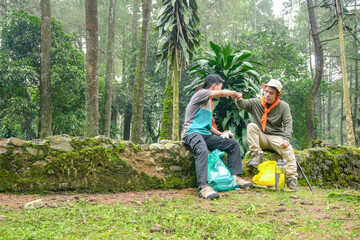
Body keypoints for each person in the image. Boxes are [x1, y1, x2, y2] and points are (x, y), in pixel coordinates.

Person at [182, 74, 253, 200]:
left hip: (205, 134)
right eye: (220, 87)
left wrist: (222, 134)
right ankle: (204, 187)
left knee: (232, 144)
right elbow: (221, 94)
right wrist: (233, 92)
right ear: (214, 86)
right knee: (202, 149)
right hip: (192, 133)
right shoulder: (201, 93)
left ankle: (234, 178)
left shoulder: (208, 104)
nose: (221, 90)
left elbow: (209, 126)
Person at [235, 79, 299, 190]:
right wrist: (238, 98)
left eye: (271, 93)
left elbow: (288, 123)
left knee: (288, 150)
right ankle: (257, 155)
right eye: (266, 91)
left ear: (277, 95)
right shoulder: (256, 102)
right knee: (251, 126)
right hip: (261, 137)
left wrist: (286, 139)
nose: (267, 95)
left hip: (276, 137)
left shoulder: (284, 106)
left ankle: (291, 179)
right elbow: (243, 104)